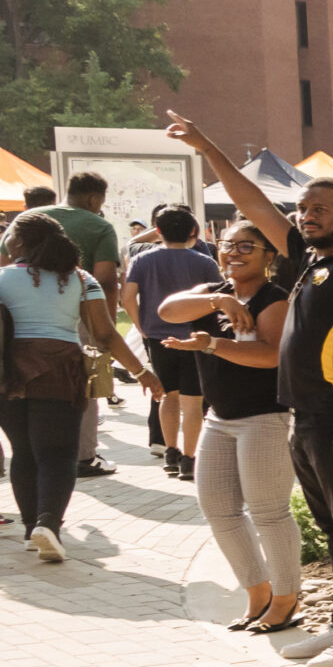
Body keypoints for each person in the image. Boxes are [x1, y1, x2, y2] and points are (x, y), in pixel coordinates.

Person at [166, 113, 333, 667]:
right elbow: (254, 205)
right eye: (303, 209)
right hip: (307, 415)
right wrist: (205, 145)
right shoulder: (311, 260)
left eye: (319, 209)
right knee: (331, 527)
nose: (306, 216)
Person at [156, 222, 299, 633]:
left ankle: (287, 598)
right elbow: (167, 311)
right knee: (218, 509)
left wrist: (213, 344)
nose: (234, 253)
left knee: (270, 513)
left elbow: (271, 355)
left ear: (269, 257)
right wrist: (219, 299)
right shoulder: (215, 294)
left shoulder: (274, 300)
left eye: (246, 247)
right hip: (219, 420)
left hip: (265, 418)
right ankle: (258, 593)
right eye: (227, 245)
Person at [0, 211, 162, 561]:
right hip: (61, 372)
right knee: (57, 454)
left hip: (8, 375)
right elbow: (104, 334)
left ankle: (32, 529)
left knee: (23, 452)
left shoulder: (1, 278)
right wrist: (141, 372)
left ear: (21, 242)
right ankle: (48, 524)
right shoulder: (79, 279)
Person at [123, 205, 223, 480]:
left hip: (157, 336)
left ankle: (170, 452)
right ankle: (189, 459)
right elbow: (219, 300)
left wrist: (140, 326)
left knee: (167, 395)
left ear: (157, 231)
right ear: (192, 230)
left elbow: (128, 296)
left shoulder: (142, 260)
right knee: (193, 402)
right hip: (195, 337)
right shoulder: (205, 262)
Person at [45, 174, 127, 479]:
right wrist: (103, 330)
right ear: (95, 198)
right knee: (86, 383)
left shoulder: (29, 219)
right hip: (78, 314)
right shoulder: (99, 226)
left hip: (25, 318)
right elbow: (106, 280)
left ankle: (40, 453)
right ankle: (84, 457)